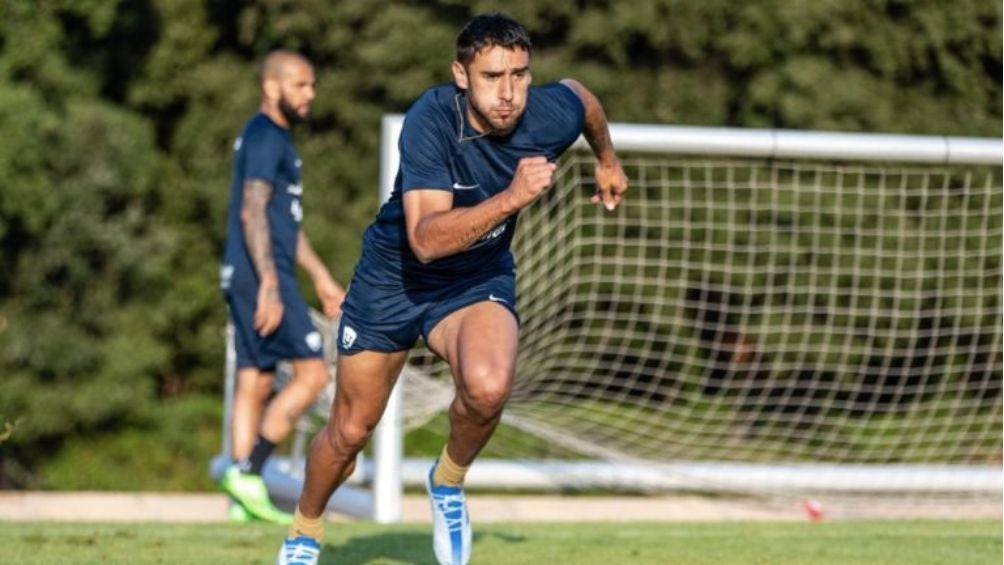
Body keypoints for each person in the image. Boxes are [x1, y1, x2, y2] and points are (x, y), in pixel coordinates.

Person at [277, 12, 628, 565]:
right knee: (349, 432)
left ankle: (447, 483)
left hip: (474, 279)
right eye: (493, 76)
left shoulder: (545, 113)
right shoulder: (431, 120)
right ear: (461, 75)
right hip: (393, 280)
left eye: (520, 74)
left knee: (489, 386)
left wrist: (608, 161)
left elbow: (582, 98)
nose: (509, 92)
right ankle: (304, 532)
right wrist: (512, 197)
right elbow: (425, 240)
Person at [219, 49, 346, 525]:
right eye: (300, 85)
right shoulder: (267, 135)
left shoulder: (271, 137)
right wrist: (271, 283)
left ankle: (241, 498)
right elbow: (253, 210)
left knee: (255, 379)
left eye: (312, 85)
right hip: (260, 274)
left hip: (253, 271)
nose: (309, 94)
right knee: (313, 374)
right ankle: (249, 471)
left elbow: (285, 224)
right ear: (273, 87)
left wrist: (321, 278)